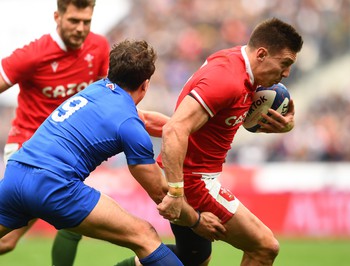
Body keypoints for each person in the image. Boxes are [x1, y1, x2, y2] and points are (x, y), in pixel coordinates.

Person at [0, 39, 224, 266]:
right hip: (54, 185)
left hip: (16, 174)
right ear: (145, 85)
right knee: (144, 236)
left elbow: (143, 118)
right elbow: (161, 195)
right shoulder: (129, 124)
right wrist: (197, 221)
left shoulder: (97, 89)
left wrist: (184, 129)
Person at [0, 1, 174, 265]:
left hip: (65, 154)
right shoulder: (33, 54)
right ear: (57, 17)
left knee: (73, 220)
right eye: (74, 21)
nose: (81, 29)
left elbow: (118, 101)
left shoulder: (99, 48)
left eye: (86, 21)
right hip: (28, 144)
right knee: (8, 242)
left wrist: (181, 128)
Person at [157, 17, 303, 266]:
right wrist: (176, 192)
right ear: (262, 54)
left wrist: (285, 124)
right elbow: (174, 128)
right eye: (285, 63)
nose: (287, 73)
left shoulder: (238, 66)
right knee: (265, 247)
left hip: (190, 175)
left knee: (193, 261)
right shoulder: (227, 79)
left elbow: (221, 115)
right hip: (194, 182)